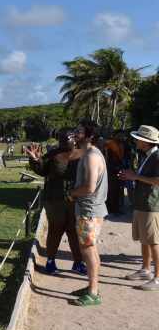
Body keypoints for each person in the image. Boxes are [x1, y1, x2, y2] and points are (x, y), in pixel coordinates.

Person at [26, 131, 85, 275]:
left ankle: (78, 263)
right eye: (63, 140)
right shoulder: (53, 154)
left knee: (74, 232)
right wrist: (35, 160)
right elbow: (42, 170)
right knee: (55, 230)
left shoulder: (84, 154)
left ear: (75, 140)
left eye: (70, 138)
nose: (67, 141)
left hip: (76, 200)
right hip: (55, 199)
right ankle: (50, 262)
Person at [67, 120, 108, 306]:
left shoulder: (91, 156)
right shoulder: (89, 153)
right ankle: (93, 287)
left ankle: (93, 292)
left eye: (79, 131)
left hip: (88, 210)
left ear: (90, 136)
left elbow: (90, 187)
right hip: (89, 209)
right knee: (90, 249)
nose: (75, 134)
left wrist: (71, 193)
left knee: (89, 251)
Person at [119, 125, 159, 290]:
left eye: (138, 139)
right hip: (142, 203)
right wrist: (132, 176)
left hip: (152, 205)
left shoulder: (157, 156)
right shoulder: (146, 155)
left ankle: (157, 278)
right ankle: (145, 269)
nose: (135, 140)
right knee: (144, 239)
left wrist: (135, 176)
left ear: (146, 142)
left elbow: (157, 180)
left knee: (153, 241)